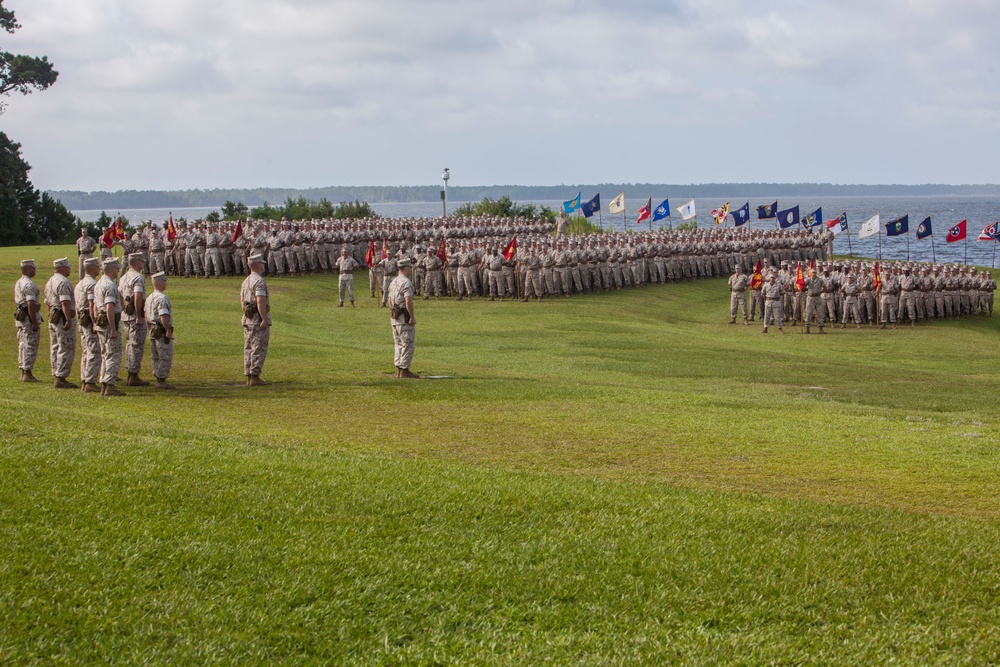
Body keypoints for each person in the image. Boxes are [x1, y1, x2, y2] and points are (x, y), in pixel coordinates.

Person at [93, 258, 126, 396]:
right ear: (111, 269)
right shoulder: (110, 285)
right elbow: (109, 308)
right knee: (113, 353)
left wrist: (96, 321)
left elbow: (94, 305)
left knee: (105, 353)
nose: (118, 270)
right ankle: (110, 385)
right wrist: (113, 328)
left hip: (100, 323)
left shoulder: (99, 283)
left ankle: (104, 384)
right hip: (109, 324)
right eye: (117, 268)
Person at [44, 257, 78, 388]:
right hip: (63, 318)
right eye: (68, 267)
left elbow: (47, 303)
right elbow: (65, 302)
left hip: (54, 316)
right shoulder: (63, 282)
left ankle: (56, 372)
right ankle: (61, 376)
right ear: (63, 268)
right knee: (65, 346)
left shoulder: (50, 281)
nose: (69, 269)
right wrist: (68, 319)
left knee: (55, 346)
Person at [118, 253, 150, 386]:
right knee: (136, 345)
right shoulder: (138, 277)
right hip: (135, 316)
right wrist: (139, 316)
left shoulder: (123, 277)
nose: (143, 263)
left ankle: (130, 370)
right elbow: (137, 297)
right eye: (142, 261)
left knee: (130, 344)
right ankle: (133, 374)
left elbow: (119, 294)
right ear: (137, 262)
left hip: (126, 314)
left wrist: (122, 309)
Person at [241, 253, 271, 386]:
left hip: (248, 318)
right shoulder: (259, 281)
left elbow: (242, 300)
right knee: (258, 346)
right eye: (262, 263)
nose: (263, 265)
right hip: (257, 319)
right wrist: (263, 318)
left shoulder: (246, 280)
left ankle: (249, 374)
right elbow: (260, 301)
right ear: (258, 265)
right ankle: (255, 375)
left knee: (248, 346)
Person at [75, 257, 102, 393]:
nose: (99, 268)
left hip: (81, 319)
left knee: (86, 350)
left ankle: (85, 379)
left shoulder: (80, 284)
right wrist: (95, 322)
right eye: (97, 266)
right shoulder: (91, 284)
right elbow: (91, 305)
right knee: (93, 351)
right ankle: (90, 381)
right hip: (89, 320)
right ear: (92, 268)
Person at [144, 272, 175, 389]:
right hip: (161, 330)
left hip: (152, 329)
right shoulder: (162, 298)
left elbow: (145, 315)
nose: (165, 283)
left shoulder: (149, 298)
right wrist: (168, 330)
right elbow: (163, 316)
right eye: (164, 281)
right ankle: (161, 379)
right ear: (160, 282)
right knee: (165, 355)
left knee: (155, 355)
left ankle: (157, 375)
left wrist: (149, 328)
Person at [388, 257, 418, 378]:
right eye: (409, 268)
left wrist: (393, 312)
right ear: (406, 268)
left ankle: (399, 367)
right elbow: (408, 301)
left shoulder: (393, 281)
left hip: (395, 316)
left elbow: (389, 300)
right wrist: (411, 316)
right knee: (408, 343)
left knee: (398, 343)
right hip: (404, 317)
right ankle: (404, 369)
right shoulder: (406, 282)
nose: (410, 270)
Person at [14, 259, 41, 382]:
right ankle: (27, 373)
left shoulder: (19, 282)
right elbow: (31, 304)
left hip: (21, 316)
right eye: (33, 267)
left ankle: (23, 371)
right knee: (30, 344)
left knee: (22, 344)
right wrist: (34, 322)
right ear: (28, 269)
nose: (35, 269)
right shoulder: (29, 284)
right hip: (28, 318)